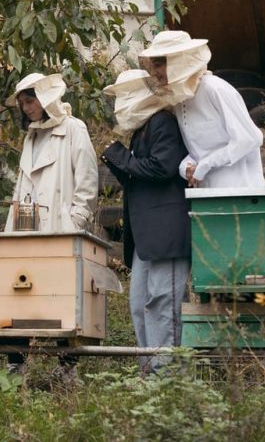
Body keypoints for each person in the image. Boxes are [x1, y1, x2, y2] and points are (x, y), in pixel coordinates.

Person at [4, 72, 99, 380]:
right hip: (27, 226)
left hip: (60, 227)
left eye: (29, 100)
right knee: (19, 289)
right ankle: (16, 362)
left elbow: (87, 180)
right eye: (21, 102)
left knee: (62, 295)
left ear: (45, 98)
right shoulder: (31, 135)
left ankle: (67, 367)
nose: (25, 107)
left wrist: (76, 222)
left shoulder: (74, 129)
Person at [100, 69, 191, 374]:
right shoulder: (142, 131)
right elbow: (139, 181)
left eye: (126, 95)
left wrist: (120, 155)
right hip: (146, 237)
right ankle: (149, 372)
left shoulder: (162, 122)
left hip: (167, 234)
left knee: (165, 304)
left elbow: (162, 168)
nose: (121, 104)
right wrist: (116, 160)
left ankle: (168, 376)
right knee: (140, 305)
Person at [138, 30, 265, 188]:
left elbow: (249, 138)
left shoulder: (215, 88)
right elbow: (198, 150)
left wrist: (205, 164)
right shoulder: (179, 100)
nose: (154, 72)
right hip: (206, 195)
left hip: (242, 191)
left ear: (178, 61)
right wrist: (187, 167)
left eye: (158, 64)